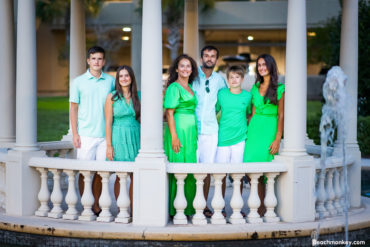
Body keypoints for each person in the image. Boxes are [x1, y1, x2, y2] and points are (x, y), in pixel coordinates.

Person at [69, 46, 115, 215]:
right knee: (85, 172)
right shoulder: (78, 82)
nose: (97, 62)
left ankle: (96, 203)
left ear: (103, 61)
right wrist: (75, 133)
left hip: (105, 135)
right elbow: (73, 109)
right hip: (86, 135)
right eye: (93, 58)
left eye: (100, 59)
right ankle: (86, 204)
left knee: (102, 172)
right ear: (88, 61)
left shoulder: (110, 81)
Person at [243, 54, 285, 216]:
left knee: (267, 170)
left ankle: (267, 208)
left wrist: (277, 138)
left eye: (264, 65)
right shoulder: (255, 88)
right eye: (259, 65)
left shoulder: (280, 88)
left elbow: (281, 115)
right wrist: (246, 133)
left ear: (271, 66)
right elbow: (252, 113)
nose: (261, 67)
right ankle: (258, 207)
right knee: (251, 169)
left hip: (269, 129)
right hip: (254, 131)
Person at [192, 45, 227, 217]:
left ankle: (203, 205)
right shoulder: (192, 75)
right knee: (190, 168)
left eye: (213, 56)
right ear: (201, 58)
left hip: (211, 130)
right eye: (206, 55)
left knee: (206, 170)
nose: (209, 59)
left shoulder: (220, 80)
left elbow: (223, 103)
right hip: (192, 129)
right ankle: (188, 204)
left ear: (216, 59)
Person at [164, 54, 198, 217]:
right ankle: (174, 208)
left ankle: (187, 207)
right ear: (176, 69)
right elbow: (170, 113)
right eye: (182, 66)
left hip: (190, 132)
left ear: (192, 70)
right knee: (179, 167)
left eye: (188, 66)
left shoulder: (190, 87)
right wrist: (174, 136)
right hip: (178, 131)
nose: (185, 69)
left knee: (190, 166)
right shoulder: (173, 87)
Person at [215, 66, 252, 217]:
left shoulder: (247, 96)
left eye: (237, 77)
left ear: (242, 79)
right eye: (231, 77)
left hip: (240, 139)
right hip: (222, 139)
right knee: (220, 175)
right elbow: (214, 111)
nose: (234, 80)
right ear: (227, 80)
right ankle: (220, 206)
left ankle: (237, 206)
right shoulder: (222, 94)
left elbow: (250, 115)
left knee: (238, 175)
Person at [104, 65, 140, 212]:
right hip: (118, 136)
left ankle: (133, 208)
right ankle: (121, 210)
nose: (124, 78)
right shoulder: (111, 97)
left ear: (131, 78)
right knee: (120, 175)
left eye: (127, 75)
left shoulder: (138, 95)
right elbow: (108, 122)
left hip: (135, 136)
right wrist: (109, 145)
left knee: (134, 175)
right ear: (118, 79)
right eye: (121, 76)